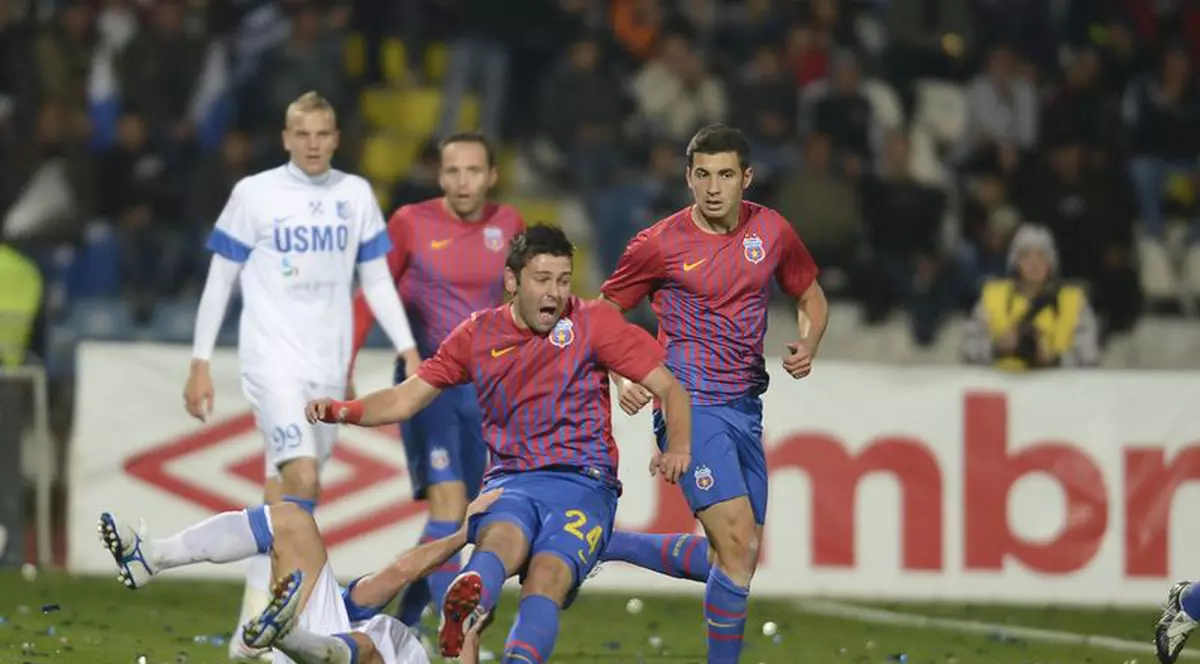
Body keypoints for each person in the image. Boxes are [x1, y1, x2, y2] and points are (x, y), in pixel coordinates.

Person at [306, 225, 693, 662]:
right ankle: (467, 604)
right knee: (499, 541)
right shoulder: (478, 334)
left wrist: (677, 444)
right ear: (512, 280)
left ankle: (470, 602)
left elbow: (670, 388)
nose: (554, 293)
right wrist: (345, 410)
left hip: (585, 484)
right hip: (511, 482)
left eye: (563, 280)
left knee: (544, 577)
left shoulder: (593, 321)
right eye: (542, 280)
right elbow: (404, 397)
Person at [182, 91, 420, 660]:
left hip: (327, 369)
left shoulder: (355, 194)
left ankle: (250, 632)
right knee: (304, 482)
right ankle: (294, 624)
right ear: (286, 139)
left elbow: (376, 280)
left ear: (335, 139)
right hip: (273, 361)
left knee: (281, 499)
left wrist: (407, 346)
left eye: (323, 134)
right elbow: (222, 278)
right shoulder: (255, 194)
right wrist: (198, 361)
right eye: (302, 134)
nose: (313, 144)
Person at [597, 123, 828, 662]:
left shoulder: (771, 232)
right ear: (688, 178)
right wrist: (625, 375)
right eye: (703, 175)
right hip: (687, 403)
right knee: (736, 544)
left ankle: (603, 542)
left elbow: (811, 295)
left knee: (739, 556)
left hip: (745, 406)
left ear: (746, 178)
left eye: (725, 175)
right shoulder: (658, 243)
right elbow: (603, 315)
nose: (713, 187)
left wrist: (809, 341)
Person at [348, 132, 524, 628]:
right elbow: (371, 294)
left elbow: (527, 304)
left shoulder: (509, 224)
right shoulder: (410, 223)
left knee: (468, 521)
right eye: (452, 171)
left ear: (492, 176)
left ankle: (398, 627)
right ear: (439, 175)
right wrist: (345, 364)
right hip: (429, 386)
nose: (462, 181)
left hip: (489, 393)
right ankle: (451, 632)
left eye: (473, 171)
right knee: (450, 511)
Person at [96, 491, 504, 664]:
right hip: (316, 648)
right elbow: (403, 570)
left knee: (366, 648)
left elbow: (404, 570)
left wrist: (471, 634)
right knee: (292, 520)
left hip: (329, 647)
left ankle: (289, 635)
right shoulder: (348, 609)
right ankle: (154, 556)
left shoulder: (370, 628)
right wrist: (464, 534)